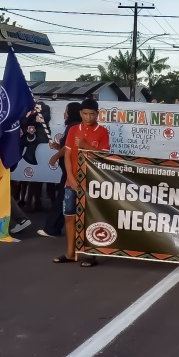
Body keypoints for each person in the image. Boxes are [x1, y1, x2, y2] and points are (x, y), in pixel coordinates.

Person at [55, 98, 110, 267]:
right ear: (80, 113)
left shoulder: (103, 131)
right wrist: (70, 179)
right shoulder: (73, 130)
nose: (88, 117)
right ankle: (71, 253)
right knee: (70, 217)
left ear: (97, 114)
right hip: (72, 181)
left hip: (92, 182)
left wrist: (86, 145)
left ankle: (90, 253)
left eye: (92, 114)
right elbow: (67, 156)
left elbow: (104, 156)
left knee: (89, 218)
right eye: (85, 114)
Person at [38, 102, 82, 238]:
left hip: (70, 169)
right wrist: (57, 146)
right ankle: (55, 227)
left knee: (62, 198)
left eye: (66, 111)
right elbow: (65, 146)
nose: (64, 113)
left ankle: (52, 228)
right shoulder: (73, 126)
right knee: (64, 197)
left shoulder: (73, 126)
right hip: (69, 168)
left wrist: (56, 156)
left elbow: (68, 148)